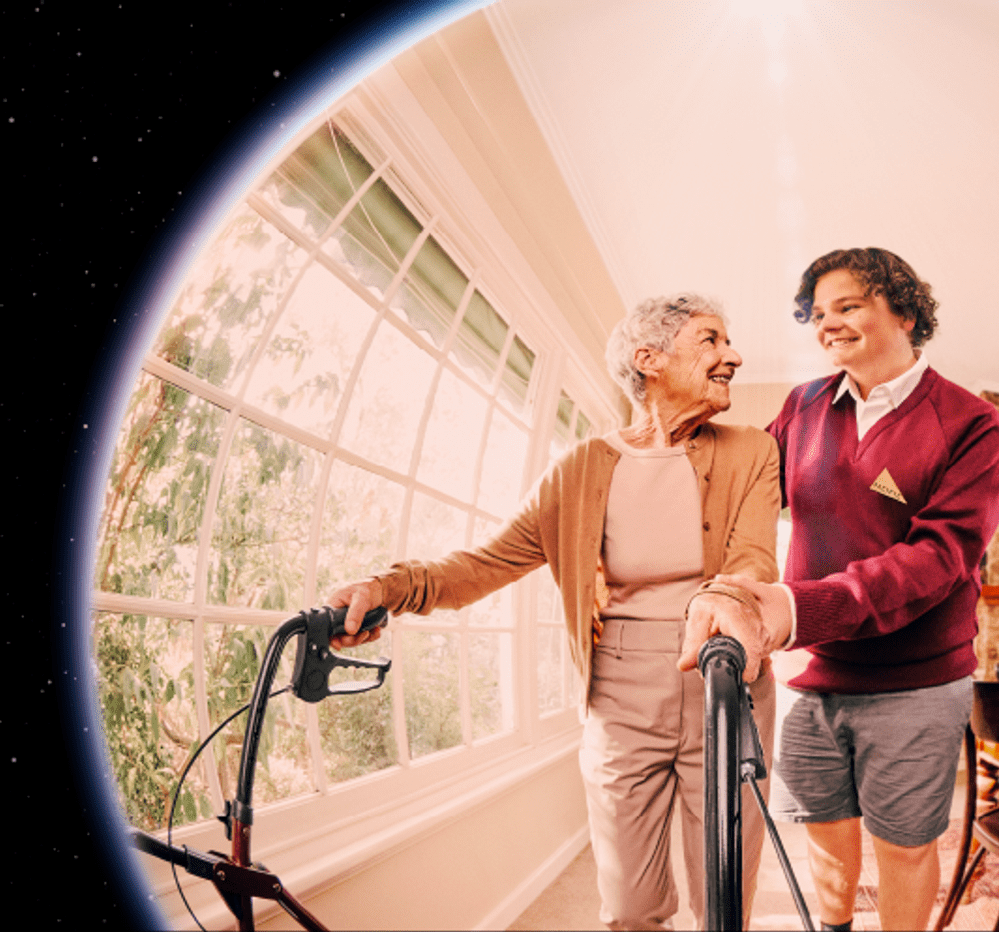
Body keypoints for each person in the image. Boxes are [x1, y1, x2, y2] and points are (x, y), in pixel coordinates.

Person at [329, 293, 782, 931]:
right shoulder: (578, 471)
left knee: (724, 897)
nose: (732, 356)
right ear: (648, 358)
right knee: (629, 907)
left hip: (724, 682)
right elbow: (485, 564)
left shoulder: (751, 450)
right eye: (711, 340)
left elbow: (754, 562)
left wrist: (727, 605)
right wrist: (387, 588)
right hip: (620, 697)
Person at [715, 248, 999, 931]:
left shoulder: (970, 424)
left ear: (904, 311)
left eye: (847, 306)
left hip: (916, 683)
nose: (828, 325)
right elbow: (749, 484)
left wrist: (799, 608)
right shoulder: (803, 406)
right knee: (824, 838)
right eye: (818, 314)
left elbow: (939, 558)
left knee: (904, 849)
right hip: (814, 676)